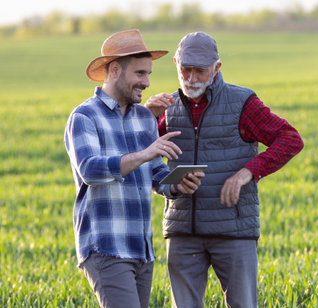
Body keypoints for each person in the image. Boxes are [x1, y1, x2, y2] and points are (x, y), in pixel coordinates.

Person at [145, 32, 304, 308]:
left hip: (233, 230)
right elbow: (142, 158)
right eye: (185, 69)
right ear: (175, 63)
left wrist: (248, 172)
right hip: (182, 230)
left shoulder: (242, 103)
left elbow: (290, 139)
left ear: (217, 68)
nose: (191, 78)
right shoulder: (165, 109)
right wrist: (146, 116)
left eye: (200, 71)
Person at [64, 29, 205, 308]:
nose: (147, 82)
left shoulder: (144, 118)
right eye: (140, 74)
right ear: (114, 70)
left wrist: (178, 183)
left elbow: (155, 175)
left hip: (141, 250)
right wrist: (144, 153)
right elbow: (90, 171)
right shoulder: (84, 116)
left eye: (148, 74)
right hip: (105, 246)